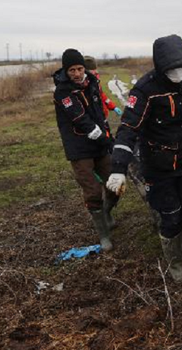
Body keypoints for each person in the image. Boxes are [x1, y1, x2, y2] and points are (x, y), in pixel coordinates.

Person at [106, 34, 182, 284]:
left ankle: (179, 233)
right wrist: (118, 167)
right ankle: (175, 261)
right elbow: (128, 128)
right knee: (170, 214)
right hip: (158, 164)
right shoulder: (145, 90)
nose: (178, 73)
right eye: (173, 69)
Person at [53, 49, 119, 251]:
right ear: (66, 70)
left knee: (114, 183)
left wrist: (107, 135)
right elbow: (79, 117)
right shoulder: (62, 92)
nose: (77, 73)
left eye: (80, 68)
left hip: (99, 143)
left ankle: (107, 211)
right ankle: (103, 235)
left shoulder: (92, 82)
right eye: (72, 70)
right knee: (92, 190)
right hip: (79, 146)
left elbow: (99, 112)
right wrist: (101, 136)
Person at [83, 56, 123, 121]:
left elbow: (102, 96)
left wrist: (113, 107)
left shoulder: (96, 82)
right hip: (94, 121)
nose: (95, 72)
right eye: (92, 71)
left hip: (103, 117)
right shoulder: (83, 87)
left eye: (95, 70)